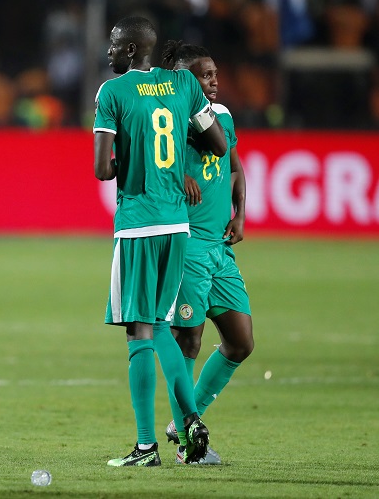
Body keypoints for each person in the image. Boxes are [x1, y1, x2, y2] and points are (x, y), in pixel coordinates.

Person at [93, 16, 228, 466]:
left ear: (132, 50)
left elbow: (102, 169)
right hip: (177, 226)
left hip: (138, 223)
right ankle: (191, 420)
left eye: (114, 44)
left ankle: (146, 446)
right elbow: (218, 144)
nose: (109, 50)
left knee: (139, 331)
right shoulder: (182, 85)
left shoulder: (112, 93)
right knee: (166, 326)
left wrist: (130, 156)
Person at [160, 41, 254, 465]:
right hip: (190, 244)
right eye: (203, 75)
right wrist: (177, 173)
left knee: (240, 341)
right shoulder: (168, 118)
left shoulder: (224, 117)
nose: (213, 81)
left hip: (220, 246)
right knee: (189, 340)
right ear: (182, 79)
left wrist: (240, 214)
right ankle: (188, 443)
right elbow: (145, 158)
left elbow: (234, 167)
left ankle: (183, 421)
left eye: (214, 74)